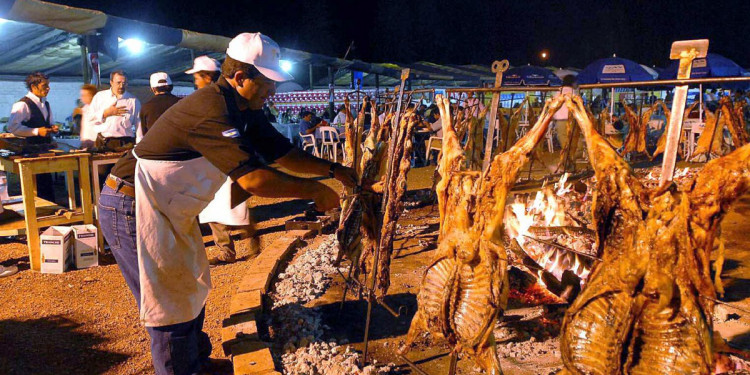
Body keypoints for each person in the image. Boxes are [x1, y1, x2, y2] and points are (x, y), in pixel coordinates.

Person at [98, 32, 357, 375]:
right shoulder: (212, 108)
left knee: (190, 285)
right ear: (240, 78)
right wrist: (314, 191)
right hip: (132, 203)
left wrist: (335, 170)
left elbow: (284, 153)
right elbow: (253, 179)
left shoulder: (246, 108)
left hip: (168, 206)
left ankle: (197, 364)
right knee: (169, 302)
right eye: (267, 83)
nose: (272, 92)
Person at [7, 72, 58, 202]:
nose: (48, 88)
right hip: (29, 152)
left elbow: (48, 124)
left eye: (48, 85)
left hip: (45, 151)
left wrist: (52, 129)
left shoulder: (46, 104)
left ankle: (50, 210)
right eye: (44, 85)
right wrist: (36, 131)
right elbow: (12, 128)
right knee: (35, 187)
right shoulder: (22, 105)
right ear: (33, 87)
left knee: (46, 184)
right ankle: (38, 213)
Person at [89, 70, 141, 150]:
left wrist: (139, 145)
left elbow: (139, 124)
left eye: (124, 83)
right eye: (118, 83)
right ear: (111, 82)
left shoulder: (133, 101)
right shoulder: (100, 97)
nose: (121, 86)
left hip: (126, 143)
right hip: (103, 142)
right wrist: (105, 113)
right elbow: (90, 119)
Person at [139, 72, 181, 141]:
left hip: (155, 147)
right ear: (171, 87)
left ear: (153, 89)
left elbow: (144, 134)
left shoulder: (146, 107)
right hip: (180, 147)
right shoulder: (181, 103)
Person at [78, 84, 99, 149]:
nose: (81, 98)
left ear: (92, 96)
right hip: (85, 141)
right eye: (81, 95)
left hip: (94, 141)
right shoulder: (84, 108)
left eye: (84, 95)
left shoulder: (98, 108)